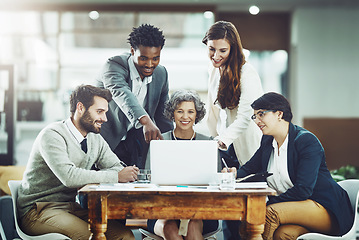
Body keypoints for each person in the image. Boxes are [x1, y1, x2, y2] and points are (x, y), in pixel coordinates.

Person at [224, 92, 354, 240]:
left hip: (325, 209)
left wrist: (269, 202)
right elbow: (250, 168)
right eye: (255, 116)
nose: (257, 121)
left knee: (267, 214)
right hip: (296, 208)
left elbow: (303, 189)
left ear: (279, 114)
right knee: (283, 234)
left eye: (261, 114)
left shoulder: (306, 141)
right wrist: (232, 174)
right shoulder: (267, 141)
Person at [17, 85, 139, 240]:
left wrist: (113, 174)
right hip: (38, 210)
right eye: (99, 112)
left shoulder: (94, 138)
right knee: (90, 236)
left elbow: (115, 166)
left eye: (105, 113)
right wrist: (115, 177)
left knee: (124, 235)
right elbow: (70, 177)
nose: (105, 119)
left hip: (71, 207)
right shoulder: (52, 135)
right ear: (80, 108)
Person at [95, 24, 173, 169]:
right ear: (132, 51)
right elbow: (121, 92)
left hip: (135, 143)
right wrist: (145, 121)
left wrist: (171, 146)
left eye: (155, 58)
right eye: (143, 58)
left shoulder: (161, 73)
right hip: (106, 140)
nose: (150, 64)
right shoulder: (114, 65)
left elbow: (163, 116)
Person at [146, 89, 219, 240]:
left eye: (190, 112)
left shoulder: (208, 143)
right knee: (170, 228)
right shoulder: (160, 142)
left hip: (201, 211)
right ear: (172, 113)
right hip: (162, 210)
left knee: (193, 225)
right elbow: (148, 179)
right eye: (180, 111)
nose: (185, 117)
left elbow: (216, 181)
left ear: (196, 115)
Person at [202, 21, 264, 169]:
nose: (216, 56)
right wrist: (213, 141)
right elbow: (212, 113)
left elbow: (246, 117)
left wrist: (221, 140)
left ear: (233, 49)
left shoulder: (247, 72)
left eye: (222, 50)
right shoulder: (213, 71)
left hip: (246, 143)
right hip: (225, 145)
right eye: (211, 49)